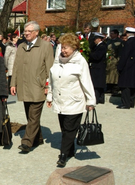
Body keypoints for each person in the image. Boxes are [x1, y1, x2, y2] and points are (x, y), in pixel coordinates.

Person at [46, 33, 96, 167]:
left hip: (74, 101)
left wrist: (91, 101)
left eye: (66, 48)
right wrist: (50, 96)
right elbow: (52, 80)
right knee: (64, 128)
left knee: (69, 129)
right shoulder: (58, 60)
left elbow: (87, 81)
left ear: (74, 48)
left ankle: (63, 154)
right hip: (60, 100)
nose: (63, 50)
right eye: (62, 47)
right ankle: (70, 149)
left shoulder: (80, 62)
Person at [10, 21, 54, 153]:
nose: (26, 33)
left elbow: (50, 68)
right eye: (25, 31)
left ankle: (27, 142)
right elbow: (16, 66)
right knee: (30, 116)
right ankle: (38, 138)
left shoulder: (46, 46)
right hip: (24, 86)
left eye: (29, 31)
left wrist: (48, 86)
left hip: (38, 86)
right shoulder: (22, 46)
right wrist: (13, 83)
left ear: (36, 32)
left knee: (34, 116)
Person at [117, 27, 135, 109]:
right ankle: (131, 102)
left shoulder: (128, 43)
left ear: (128, 34)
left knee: (125, 86)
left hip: (127, 67)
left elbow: (124, 56)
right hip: (134, 66)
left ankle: (126, 103)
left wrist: (120, 67)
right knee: (132, 86)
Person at [89, 32, 107, 104]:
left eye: (95, 39)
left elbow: (97, 56)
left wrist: (90, 54)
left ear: (99, 39)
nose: (94, 41)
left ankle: (97, 98)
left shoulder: (102, 46)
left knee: (97, 84)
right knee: (97, 84)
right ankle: (99, 98)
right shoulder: (97, 46)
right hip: (97, 67)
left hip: (99, 67)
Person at [106, 29, 122, 95]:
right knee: (108, 75)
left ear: (116, 34)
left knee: (114, 75)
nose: (111, 35)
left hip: (115, 60)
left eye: (112, 33)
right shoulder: (108, 41)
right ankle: (109, 87)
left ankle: (115, 88)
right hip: (109, 60)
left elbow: (120, 52)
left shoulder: (119, 42)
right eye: (110, 33)